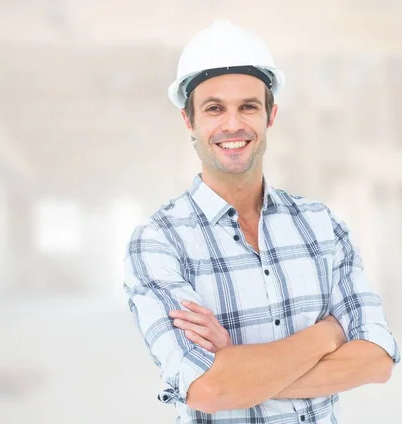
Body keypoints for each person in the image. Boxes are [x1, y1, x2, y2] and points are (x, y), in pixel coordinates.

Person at [123, 20, 400, 423]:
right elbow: (208, 388)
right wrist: (327, 334)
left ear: (271, 114)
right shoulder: (159, 242)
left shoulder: (323, 226)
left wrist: (237, 369)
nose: (232, 124)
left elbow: (377, 361)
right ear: (189, 121)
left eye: (248, 106)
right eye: (214, 108)